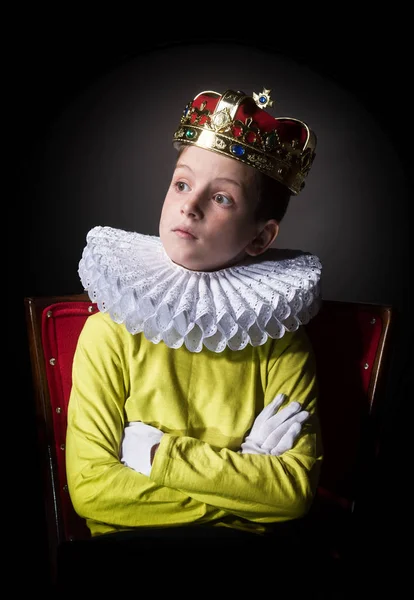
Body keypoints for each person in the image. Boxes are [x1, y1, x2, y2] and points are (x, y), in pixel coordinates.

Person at [61, 86, 323, 588]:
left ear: (260, 237)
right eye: (181, 184)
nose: (191, 206)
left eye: (222, 197)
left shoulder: (281, 341)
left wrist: (158, 457)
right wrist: (241, 485)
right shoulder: (109, 333)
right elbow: (93, 490)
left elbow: (292, 493)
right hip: (124, 564)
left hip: (251, 570)